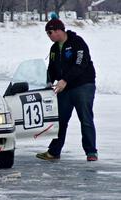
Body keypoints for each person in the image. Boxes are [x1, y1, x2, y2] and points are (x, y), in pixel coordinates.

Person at [36, 15, 98, 161]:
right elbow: (51, 68)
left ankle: (91, 152)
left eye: (49, 33)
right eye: (47, 33)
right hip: (65, 88)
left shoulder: (77, 42)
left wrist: (65, 80)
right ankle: (54, 151)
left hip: (83, 85)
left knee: (86, 118)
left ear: (58, 31)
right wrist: (47, 82)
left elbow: (80, 64)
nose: (49, 36)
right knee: (60, 120)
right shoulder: (54, 48)